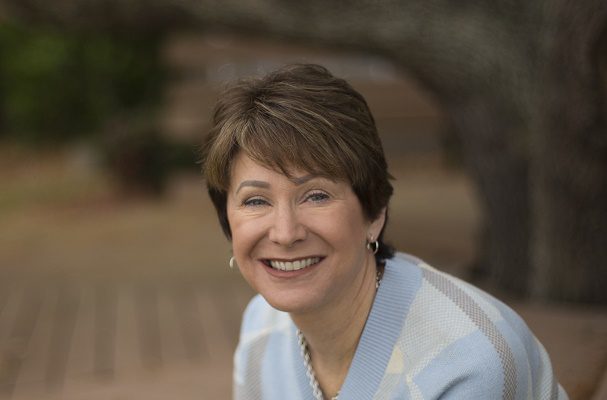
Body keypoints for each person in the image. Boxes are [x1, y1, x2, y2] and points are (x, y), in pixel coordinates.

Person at [200, 64, 568, 400]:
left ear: (374, 213)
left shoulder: (468, 363)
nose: (284, 232)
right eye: (255, 201)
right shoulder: (262, 328)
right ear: (228, 221)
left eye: (316, 195)